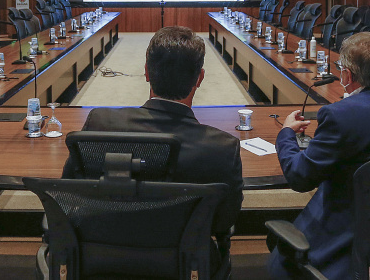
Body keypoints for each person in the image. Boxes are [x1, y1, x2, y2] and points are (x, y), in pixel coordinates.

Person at [269, 32, 370, 279]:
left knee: (280, 257)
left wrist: (285, 135)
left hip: (349, 238)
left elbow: (299, 177)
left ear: (347, 75)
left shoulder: (339, 116)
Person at [62, 26, 244, 238]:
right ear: (199, 79)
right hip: (183, 263)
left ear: (147, 72)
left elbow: (69, 194)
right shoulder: (222, 148)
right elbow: (224, 221)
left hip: (100, 253)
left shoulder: (99, 124)